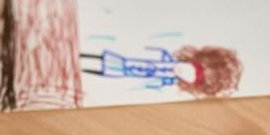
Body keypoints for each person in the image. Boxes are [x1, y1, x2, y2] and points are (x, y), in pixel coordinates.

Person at [81, 45, 242, 97]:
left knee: (116, 69)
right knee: (114, 61)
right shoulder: (169, 59)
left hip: (133, 71)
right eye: (189, 70)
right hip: (133, 62)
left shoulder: (169, 79)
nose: (183, 72)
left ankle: (86, 68)